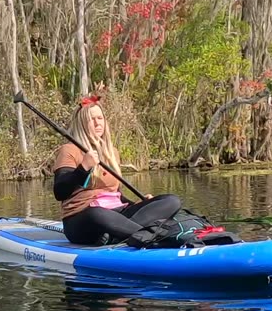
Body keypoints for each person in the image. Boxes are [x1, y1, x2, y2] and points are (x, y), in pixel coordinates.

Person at [51, 94, 182, 245]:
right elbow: (60, 192)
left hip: (116, 213)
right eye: (91, 119)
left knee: (171, 201)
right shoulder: (69, 150)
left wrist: (137, 203)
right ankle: (153, 238)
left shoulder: (112, 152)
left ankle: (117, 235)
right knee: (98, 215)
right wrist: (84, 167)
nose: (97, 123)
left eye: (100, 118)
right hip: (82, 219)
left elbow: (116, 195)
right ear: (82, 123)